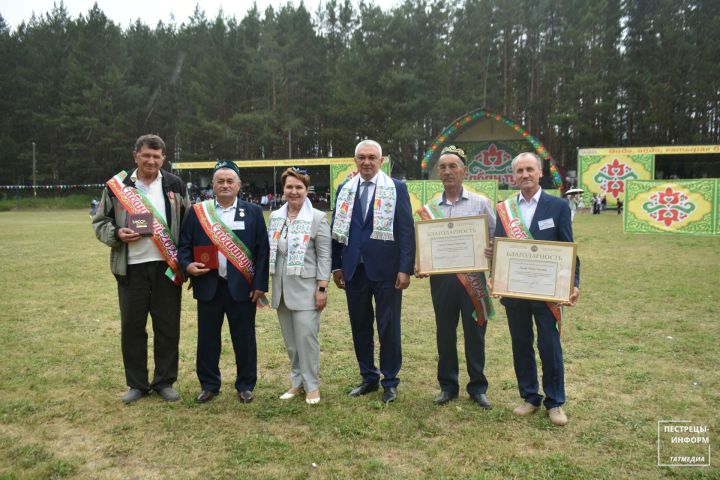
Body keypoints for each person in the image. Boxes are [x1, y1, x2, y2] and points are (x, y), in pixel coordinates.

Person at [92, 134, 190, 404]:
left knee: (168, 327)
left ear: (163, 159)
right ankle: (136, 384)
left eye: (156, 157)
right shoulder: (117, 186)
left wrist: (186, 260)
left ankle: (164, 381)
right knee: (132, 327)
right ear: (135, 155)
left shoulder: (175, 184)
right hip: (131, 269)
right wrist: (117, 233)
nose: (151, 161)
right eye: (146, 155)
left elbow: (188, 222)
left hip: (167, 269)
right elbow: (100, 222)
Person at [494, 152, 580, 426]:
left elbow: (569, 250)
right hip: (515, 292)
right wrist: (495, 277)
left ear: (540, 172)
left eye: (530, 169)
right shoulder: (504, 210)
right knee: (521, 345)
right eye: (519, 171)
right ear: (513, 176)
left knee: (549, 346)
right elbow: (499, 250)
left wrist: (573, 284)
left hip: (548, 293)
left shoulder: (558, 207)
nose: (525, 175)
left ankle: (555, 402)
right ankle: (530, 397)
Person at [331, 140, 415, 404]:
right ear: (355, 161)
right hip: (354, 268)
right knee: (360, 325)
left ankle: (390, 381)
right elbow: (337, 229)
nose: (366, 162)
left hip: (387, 270)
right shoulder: (344, 189)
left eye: (372, 157)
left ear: (381, 161)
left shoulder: (397, 188)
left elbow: (405, 231)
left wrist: (405, 268)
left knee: (388, 326)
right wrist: (336, 265)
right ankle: (368, 377)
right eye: (361, 157)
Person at [178, 161, 269, 404]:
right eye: (221, 181)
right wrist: (187, 265)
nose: (226, 185)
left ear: (239, 185)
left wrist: (260, 285)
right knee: (207, 339)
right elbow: (184, 246)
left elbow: (263, 252)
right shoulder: (198, 212)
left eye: (230, 181)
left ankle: (246, 384)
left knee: (245, 339)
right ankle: (209, 385)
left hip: (243, 288)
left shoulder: (253, 212)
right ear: (213, 185)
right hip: (208, 286)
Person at [415, 146, 495, 408]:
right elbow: (424, 245)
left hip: (473, 279)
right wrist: (422, 262)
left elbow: (496, 238)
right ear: (438, 172)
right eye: (443, 167)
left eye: (453, 166)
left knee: (475, 334)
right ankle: (448, 386)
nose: (447, 171)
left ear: (464, 171)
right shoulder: (430, 208)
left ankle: (477, 387)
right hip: (442, 282)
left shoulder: (481, 203)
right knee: (445, 334)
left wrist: (491, 249)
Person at [268, 167, 331, 405]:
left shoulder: (317, 218)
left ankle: (312, 385)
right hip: (281, 289)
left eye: (299, 187)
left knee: (306, 339)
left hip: (307, 290)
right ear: (283, 190)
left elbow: (325, 256)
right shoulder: (275, 217)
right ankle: (297, 382)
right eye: (289, 187)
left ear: (306, 190)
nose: (293, 192)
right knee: (292, 343)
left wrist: (322, 288)